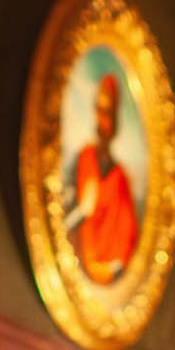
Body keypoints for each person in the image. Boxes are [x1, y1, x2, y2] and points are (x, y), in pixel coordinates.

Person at [64, 71, 139, 282]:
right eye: (98, 110)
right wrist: (82, 211)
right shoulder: (83, 160)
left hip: (105, 276)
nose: (100, 119)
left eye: (106, 112)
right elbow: (61, 220)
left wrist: (112, 267)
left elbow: (128, 241)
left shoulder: (120, 179)